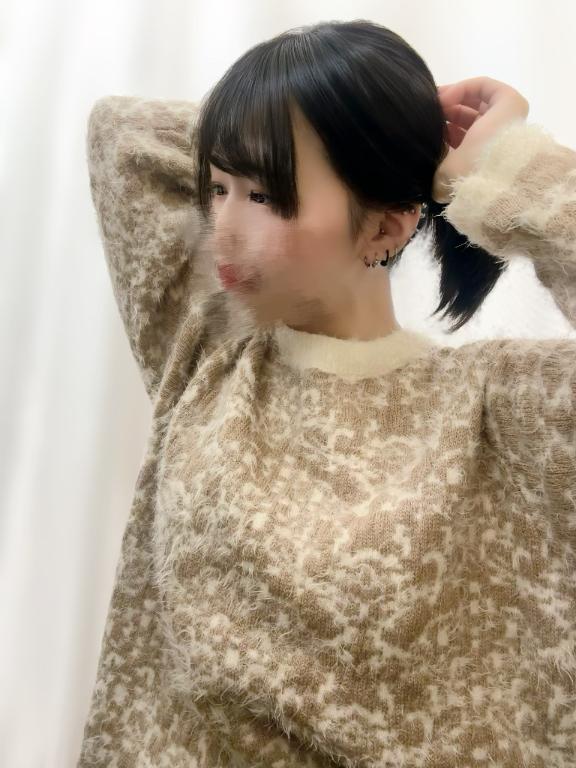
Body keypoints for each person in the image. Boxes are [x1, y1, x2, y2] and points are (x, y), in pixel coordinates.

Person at [77, 20, 575, 768]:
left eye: (266, 196)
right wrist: (348, 108)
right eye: (217, 189)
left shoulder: (498, 412)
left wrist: (501, 165)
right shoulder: (209, 355)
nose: (223, 228)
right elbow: (119, 133)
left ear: (385, 227)